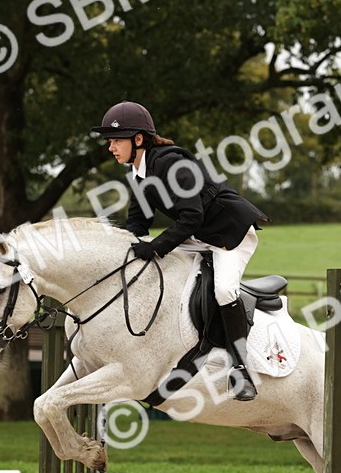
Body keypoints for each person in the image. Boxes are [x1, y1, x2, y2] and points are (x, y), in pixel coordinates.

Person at [91, 101, 269, 401]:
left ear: (138, 140)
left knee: (224, 290)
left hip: (229, 233)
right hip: (198, 235)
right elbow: (136, 223)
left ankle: (241, 368)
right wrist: (110, 247)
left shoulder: (171, 164)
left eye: (116, 140)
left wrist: (156, 247)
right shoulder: (138, 174)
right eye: (109, 141)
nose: (110, 147)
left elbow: (192, 216)